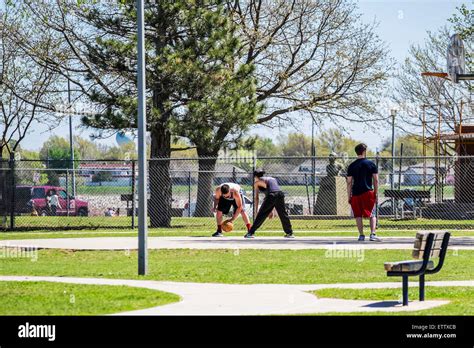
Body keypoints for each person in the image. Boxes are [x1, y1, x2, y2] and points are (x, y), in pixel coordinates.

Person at [245, 169, 294, 239]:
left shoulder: (257, 182)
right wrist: (271, 210)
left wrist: (256, 211)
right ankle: (290, 233)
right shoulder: (272, 179)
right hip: (280, 195)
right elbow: (274, 192)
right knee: (283, 214)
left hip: (272, 196)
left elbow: (257, 198)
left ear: (255, 176)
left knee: (261, 214)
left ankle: (251, 232)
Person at [346, 143, 380, 242]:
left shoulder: (352, 165)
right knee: (372, 214)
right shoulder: (371, 164)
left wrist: (349, 196)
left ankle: (361, 235)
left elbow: (349, 182)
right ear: (364, 151)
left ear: (356, 152)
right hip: (368, 192)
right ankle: (372, 234)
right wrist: (376, 193)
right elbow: (376, 180)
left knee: (358, 215)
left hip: (356, 193)